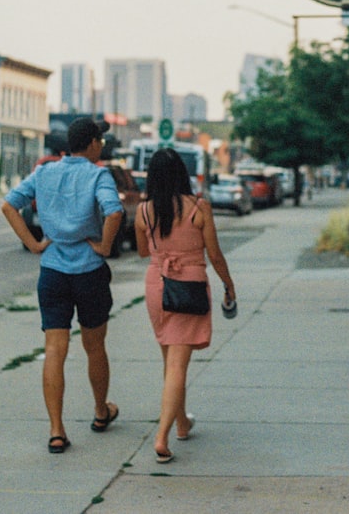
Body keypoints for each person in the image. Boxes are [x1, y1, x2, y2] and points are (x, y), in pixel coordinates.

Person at [0, 117, 123, 454]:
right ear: (95, 143)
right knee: (94, 347)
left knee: (54, 349)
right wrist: (105, 246)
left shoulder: (44, 172)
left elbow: (8, 205)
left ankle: (56, 431)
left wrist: (34, 243)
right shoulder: (98, 174)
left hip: (52, 271)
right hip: (89, 272)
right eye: (101, 141)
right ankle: (100, 412)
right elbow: (114, 213)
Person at [135, 147, 235, 464]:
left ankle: (181, 423)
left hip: (156, 285)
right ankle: (162, 437)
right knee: (178, 364)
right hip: (188, 287)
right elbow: (215, 255)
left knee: (170, 361)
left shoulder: (144, 211)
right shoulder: (199, 208)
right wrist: (229, 285)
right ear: (182, 174)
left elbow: (141, 252)